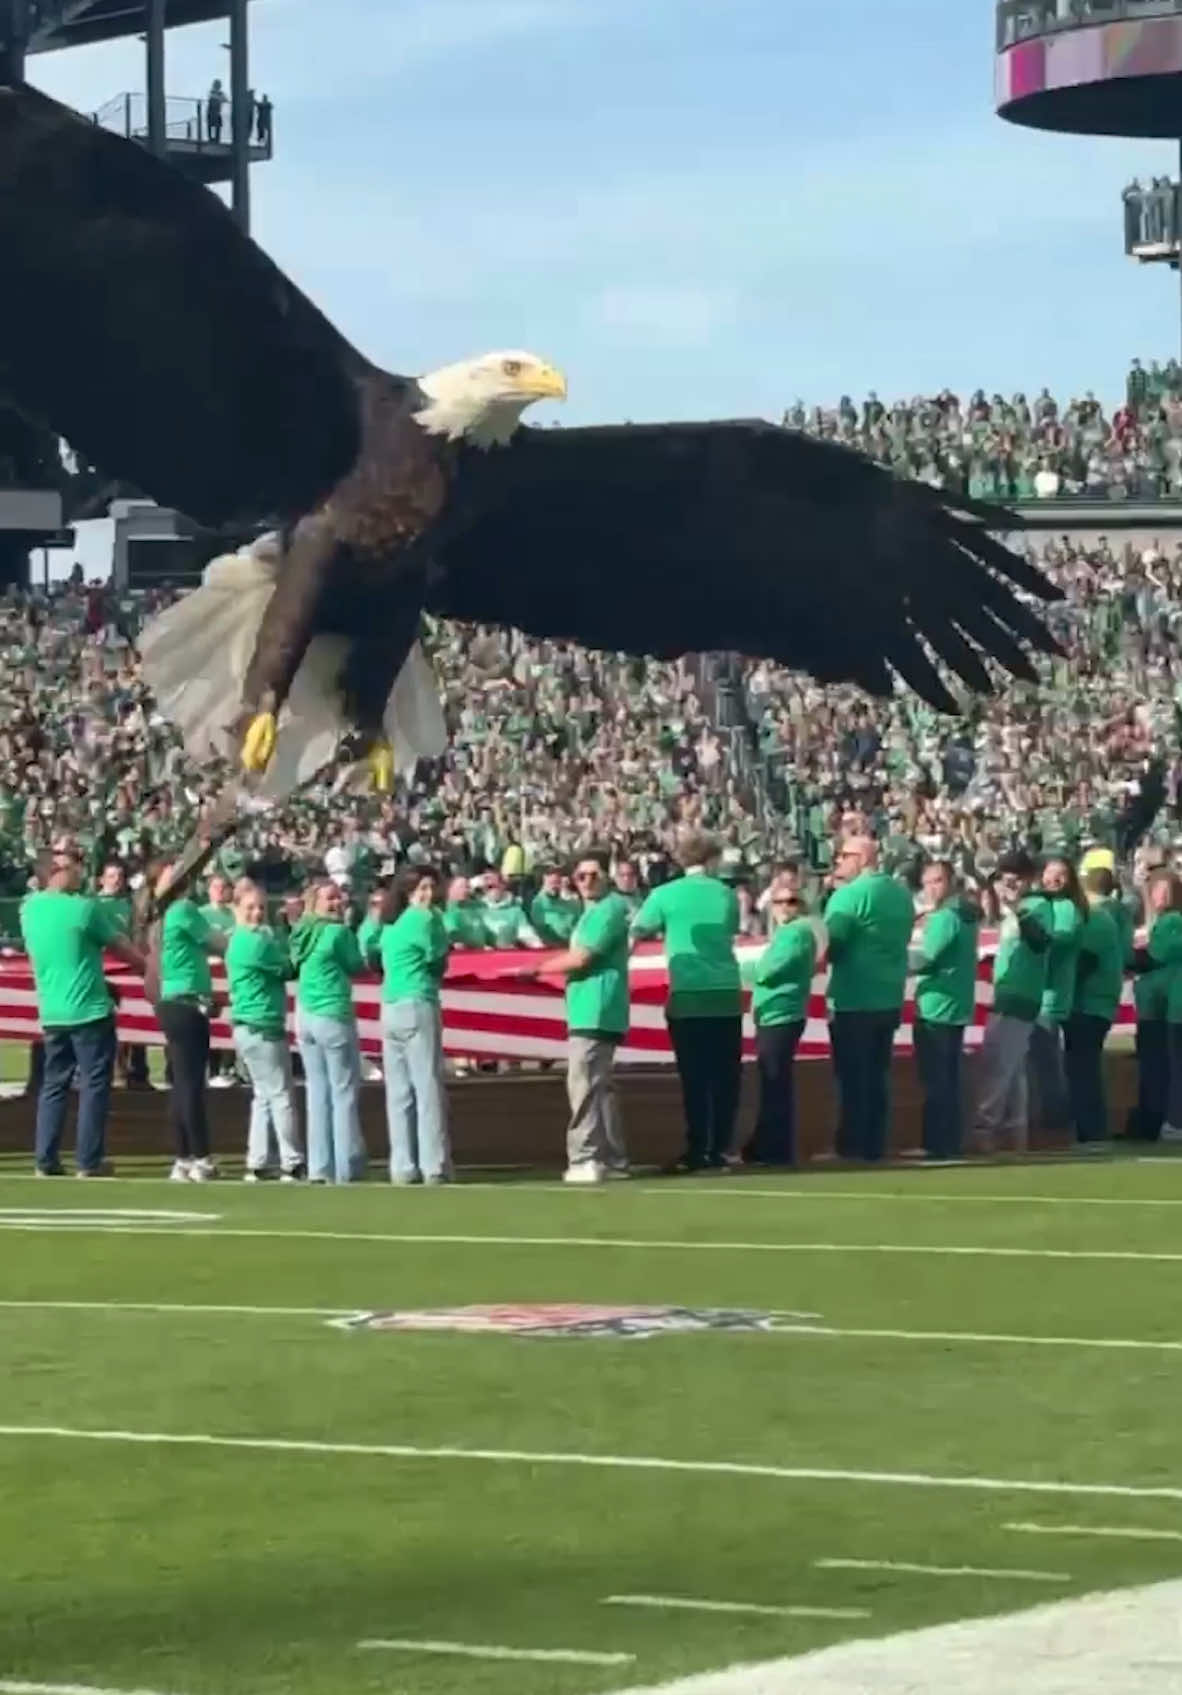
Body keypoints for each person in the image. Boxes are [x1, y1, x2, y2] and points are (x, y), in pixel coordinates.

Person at [20, 843, 146, 1178]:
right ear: (58, 871)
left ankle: (45, 1159)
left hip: (52, 1010)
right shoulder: (84, 909)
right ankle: (88, 1161)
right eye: (74, 865)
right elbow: (123, 950)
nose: (80, 871)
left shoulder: (29, 909)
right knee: (93, 1086)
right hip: (89, 1009)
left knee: (54, 1085)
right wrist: (149, 969)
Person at [631, 831, 741, 1173]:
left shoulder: (664, 895)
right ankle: (720, 1148)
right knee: (725, 1077)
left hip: (688, 994)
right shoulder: (726, 894)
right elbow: (730, 931)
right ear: (711, 859)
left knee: (695, 1078)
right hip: (725, 993)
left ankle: (698, 1149)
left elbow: (636, 932)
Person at [520, 853, 631, 1183]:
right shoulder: (595, 912)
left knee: (583, 1084)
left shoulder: (607, 910)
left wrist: (537, 969)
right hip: (595, 1006)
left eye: (594, 874)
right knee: (599, 1087)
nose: (588, 881)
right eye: (582, 876)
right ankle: (612, 1157)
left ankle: (587, 1157)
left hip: (594, 1008)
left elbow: (581, 958)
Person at [823, 836, 914, 1162]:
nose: (838, 863)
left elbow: (832, 946)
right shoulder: (901, 895)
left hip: (853, 997)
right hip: (888, 995)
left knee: (852, 1079)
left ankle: (852, 1146)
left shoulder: (848, 897)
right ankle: (874, 1144)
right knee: (877, 1077)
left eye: (843, 856)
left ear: (861, 858)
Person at [373, 866, 451, 1184]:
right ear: (409, 892)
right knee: (428, 1087)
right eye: (422, 888)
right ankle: (434, 1165)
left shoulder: (390, 925)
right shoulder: (427, 918)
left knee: (399, 1091)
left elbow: (371, 951)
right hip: (418, 1000)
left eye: (430, 887)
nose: (428, 894)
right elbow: (438, 960)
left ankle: (403, 1166)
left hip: (390, 1004)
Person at [971, 852, 1053, 1155]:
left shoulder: (1038, 906)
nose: (1010, 881)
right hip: (1009, 993)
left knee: (998, 1065)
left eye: (1016, 876)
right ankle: (1015, 1130)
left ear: (1029, 878)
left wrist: (1018, 906)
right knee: (1013, 1068)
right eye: (1005, 875)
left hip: (1019, 996)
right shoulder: (1014, 910)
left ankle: (986, 1127)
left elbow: (1040, 941)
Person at [152, 859, 227, 1181]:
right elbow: (219, 943)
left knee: (181, 1082)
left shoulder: (163, 916)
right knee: (191, 1084)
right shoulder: (182, 909)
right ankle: (200, 1157)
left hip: (175, 1002)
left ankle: (184, 1157)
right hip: (185, 1003)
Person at [225, 882, 304, 1181]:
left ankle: (258, 1159)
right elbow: (287, 967)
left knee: (263, 1095)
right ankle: (291, 1161)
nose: (257, 913)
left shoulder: (239, 940)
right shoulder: (255, 942)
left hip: (248, 1024)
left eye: (260, 907)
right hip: (262, 1023)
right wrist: (293, 929)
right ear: (237, 910)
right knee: (281, 1094)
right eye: (250, 908)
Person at [290, 879, 367, 1183]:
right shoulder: (337, 932)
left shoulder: (302, 931)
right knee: (343, 1092)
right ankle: (346, 1167)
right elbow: (356, 964)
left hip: (305, 1014)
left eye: (339, 898)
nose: (337, 903)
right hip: (332, 1012)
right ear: (315, 903)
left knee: (318, 1092)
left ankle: (320, 1167)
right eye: (330, 899)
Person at [740, 876, 817, 1166]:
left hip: (780, 1014)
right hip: (778, 1013)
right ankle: (768, 1143)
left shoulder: (795, 933)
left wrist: (735, 968)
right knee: (775, 1081)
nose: (785, 907)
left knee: (775, 1082)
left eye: (791, 901)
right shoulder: (791, 933)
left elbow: (768, 971)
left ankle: (775, 1147)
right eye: (780, 901)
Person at [910, 861, 980, 1161]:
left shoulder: (945, 917)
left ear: (950, 882)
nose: (931, 888)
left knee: (937, 1078)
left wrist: (888, 959)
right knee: (947, 1076)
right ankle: (948, 1140)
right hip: (956, 1002)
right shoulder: (965, 915)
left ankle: (938, 1142)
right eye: (927, 882)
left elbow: (926, 957)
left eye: (937, 881)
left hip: (937, 1005)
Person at [1064, 867, 1124, 1144]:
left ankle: (1089, 1130)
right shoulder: (1105, 915)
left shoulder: (1094, 916)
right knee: (1084, 1067)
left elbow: (1084, 963)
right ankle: (1090, 1128)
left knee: (1082, 1068)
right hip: (1098, 1002)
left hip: (1088, 1003)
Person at [1028, 856, 1086, 1135]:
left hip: (1048, 999)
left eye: (1061, 875)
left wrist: (1033, 935)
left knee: (1046, 1068)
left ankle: (1055, 1128)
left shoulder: (1065, 907)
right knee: (1043, 1065)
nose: (1055, 879)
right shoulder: (1049, 905)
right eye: (1051, 874)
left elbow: (1060, 940)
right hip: (1042, 995)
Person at [1126, 869, 1180, 1141]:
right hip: (1157, 1005)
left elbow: (1154, 957)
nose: (1160, 894)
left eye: (1165, 889)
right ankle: (1154, 1118)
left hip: (1168, 1007)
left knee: (1166, 1065)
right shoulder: (1162, 922)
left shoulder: (1173, 922)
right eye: (1157, 888)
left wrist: (1122, 957)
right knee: (1157, 1065)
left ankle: (1171, 1121)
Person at [201, 875, 237, 1086]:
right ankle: (210, 1067)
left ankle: (227, 1067)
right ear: (208, 890)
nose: (220, 890)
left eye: (224, 886)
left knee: (228, 1016)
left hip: (229, 972)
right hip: (208, 972)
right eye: (216, 886)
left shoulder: (235, 914)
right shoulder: (201, 914)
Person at [530, 866, 580, 947]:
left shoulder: (573, 903)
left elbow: (579, 925)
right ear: (545, 882)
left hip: (572, 945)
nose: (554, 886)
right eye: (551, 882)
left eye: (557, 882)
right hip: (549, 947)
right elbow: (539, 928)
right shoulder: (538, 903)